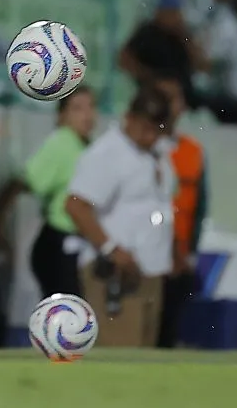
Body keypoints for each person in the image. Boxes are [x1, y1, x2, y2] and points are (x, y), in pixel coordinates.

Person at [65, 85, 176, 347]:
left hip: (151, 271)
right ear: (129, 118)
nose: (150, 137)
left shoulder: (157, 153)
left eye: (156, 130)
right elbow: (75, 206)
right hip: (116, 275)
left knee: (144, 362)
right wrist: (111, 249)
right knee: (119, 356)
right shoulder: (108, 154)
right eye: (145, 129)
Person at [0, 86, 98, 299]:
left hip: (77, 245)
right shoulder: (61, 143)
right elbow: (19, 183)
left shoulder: (87, 147)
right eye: (78, 108)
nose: (87, 115)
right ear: (62, 115)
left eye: (91, 107)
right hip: (58, 244)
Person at [150, 76, 208, 349]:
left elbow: (200, 207)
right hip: (146, 259)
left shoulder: (193, 151)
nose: (172, 106)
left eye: (175, 99)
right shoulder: (142, 148)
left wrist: (190, 253)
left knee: (168, 336)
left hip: (180, 259)